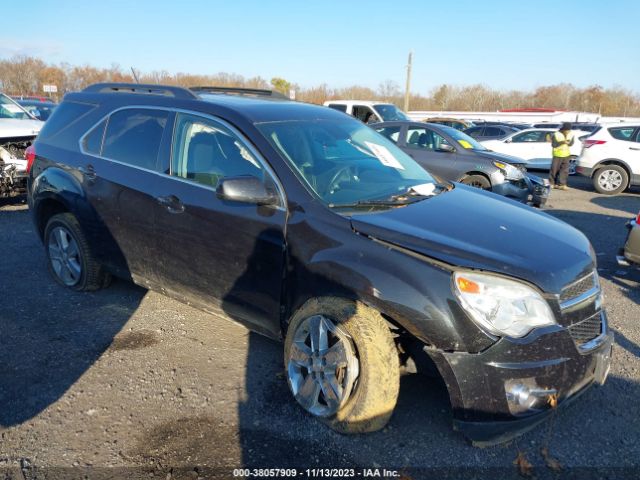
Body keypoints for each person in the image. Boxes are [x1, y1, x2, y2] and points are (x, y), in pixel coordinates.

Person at [549, 122, 574, 189]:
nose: (568, 131)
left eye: (569, 130)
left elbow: (571, 143)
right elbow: (554, 144)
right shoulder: (556, 134)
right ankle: (552, 183)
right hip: (557, 154)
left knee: (564, 170)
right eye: (567, 130)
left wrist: (569, 143)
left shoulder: (571, 134)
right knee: (554, 169)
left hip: (566, 155)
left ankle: (562, 184)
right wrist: (562, 142)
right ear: (563, 129)